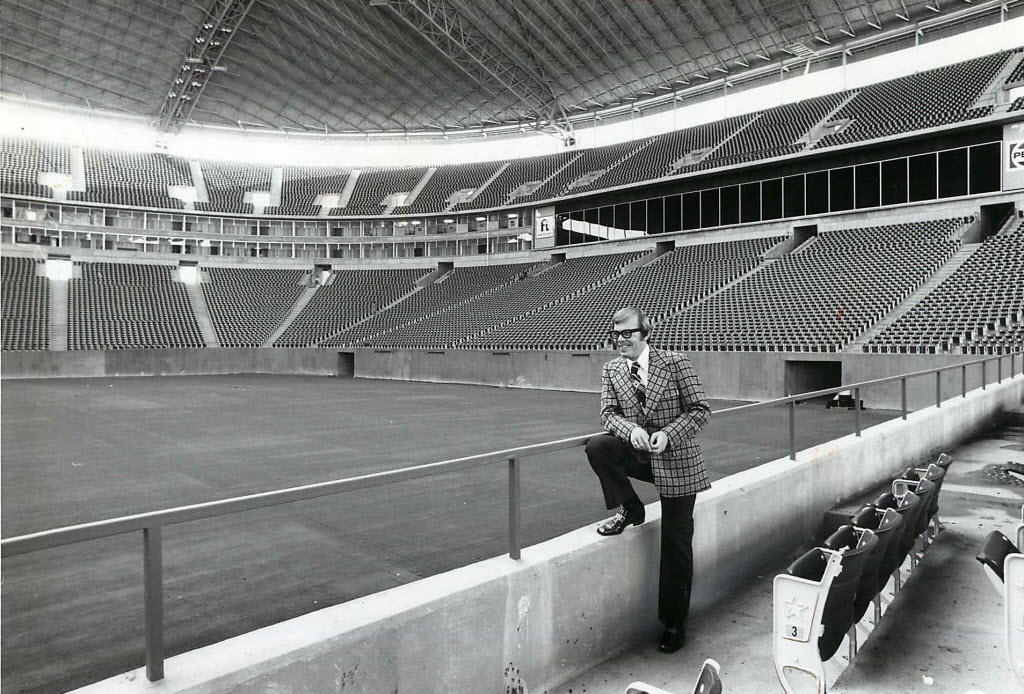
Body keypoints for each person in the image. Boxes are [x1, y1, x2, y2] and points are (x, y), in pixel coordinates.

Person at [585, 306, 711, 654]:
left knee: (676, 543)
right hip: (640, 455)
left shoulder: (675, 362)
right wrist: (632, 430)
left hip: (678, 461)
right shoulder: (611, 369)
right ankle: (631, 507)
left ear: (646, 333)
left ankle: (673, 623)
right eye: (616, 333)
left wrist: (669, 434)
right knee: (598, 447)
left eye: (628, 333)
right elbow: (607, 414)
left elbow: (700, 410)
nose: (621, 339)